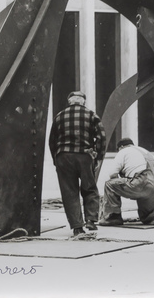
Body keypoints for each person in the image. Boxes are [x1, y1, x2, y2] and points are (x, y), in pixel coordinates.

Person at [49, 91, 106, 236]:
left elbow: (52, 141)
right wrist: (98, 157)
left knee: (69, 192)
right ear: (83, 102)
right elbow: (101, 137)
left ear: (69, 102)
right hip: (84, 155)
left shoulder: (59, 116)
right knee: (90, 188)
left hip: (64, 156)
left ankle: (77, 227)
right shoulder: (91, 115)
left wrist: (56, 159)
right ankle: (91, 220)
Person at [99, 138, 154, 227]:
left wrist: (119, 190)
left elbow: (112, 174)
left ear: (121, 147)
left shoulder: (123, 151)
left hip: (142, 182)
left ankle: (112, 218)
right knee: (147, 217)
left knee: (110, 184)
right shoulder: (145, 151)